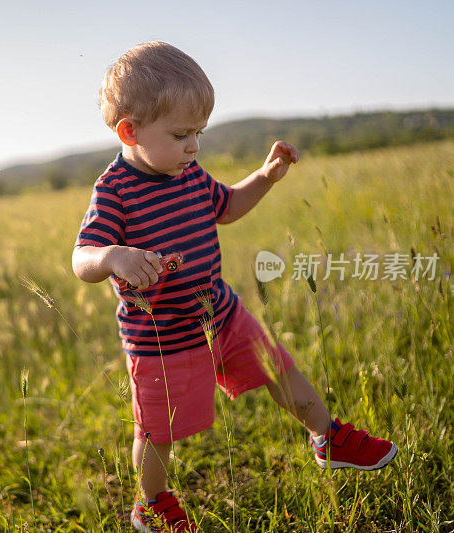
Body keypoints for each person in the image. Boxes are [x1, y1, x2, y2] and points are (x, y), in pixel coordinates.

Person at [72, 41, 397, 532]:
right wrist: (113, 255)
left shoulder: (189, 173)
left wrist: (266, 177)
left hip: (221, 311)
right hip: (161, 336)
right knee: (158, 430)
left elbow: (226, 206)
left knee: (279, 366)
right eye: (181, 134)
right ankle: (153, 503)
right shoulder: (114, 191)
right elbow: (82, 259)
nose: (194, 146)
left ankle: (327, 437)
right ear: (129, 131)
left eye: (198, 133)